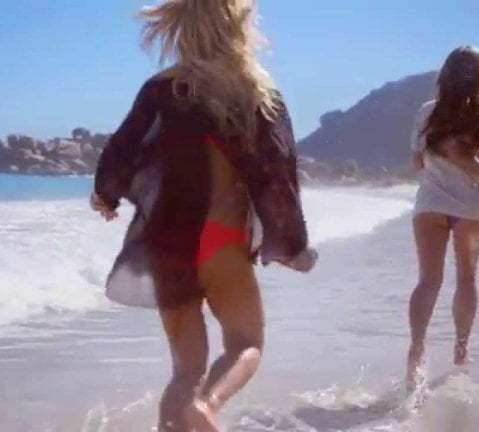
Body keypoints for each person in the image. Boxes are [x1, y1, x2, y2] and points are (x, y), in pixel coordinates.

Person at [90, 0, 317, 430]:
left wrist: (105, 196)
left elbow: (120, 152)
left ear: (182, 27)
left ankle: (185, 412)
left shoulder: (160, 88)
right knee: (245, 344)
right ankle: (209, 405)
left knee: (184, 370)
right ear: (239, 25)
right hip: (221, 236)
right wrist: (290, 242)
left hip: (165, 240)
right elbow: (278, 174)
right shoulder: (257, 89)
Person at [407, 45, 479, 390]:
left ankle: (417, 346)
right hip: (472, 208)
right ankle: (461, 347)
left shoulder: (427, 112)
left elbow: (417, 161)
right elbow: (458, 153)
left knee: (428, 280)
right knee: (466, 279)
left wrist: (437, 168)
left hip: (431, 204)